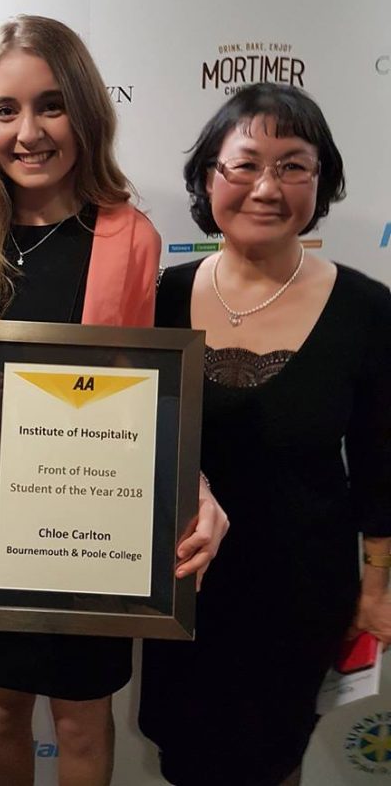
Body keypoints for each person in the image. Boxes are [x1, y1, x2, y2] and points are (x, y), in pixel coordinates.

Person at [0, 14, 229, 786]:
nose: (28, 131)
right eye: (6, 110)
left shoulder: (129, 236)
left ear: (86, 111)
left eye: (51, 105)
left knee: (83, 720)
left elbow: (148, 393)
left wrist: (191, 484)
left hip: (91, 528)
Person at [139, 82, 391, 786]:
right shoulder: (156, 299)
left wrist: (377, 586)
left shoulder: (367, 311)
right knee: (183, 760)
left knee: (275, 761)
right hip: (181, 585)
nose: (266, 187)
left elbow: (380, 464)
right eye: (244, 164)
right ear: (209, 176)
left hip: (302, 590)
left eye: (293, 165)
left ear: (322, 180)